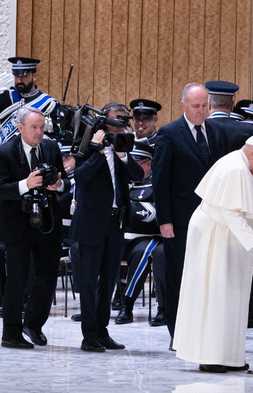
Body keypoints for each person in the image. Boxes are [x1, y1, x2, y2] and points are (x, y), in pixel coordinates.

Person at [173, 135, 253, 373]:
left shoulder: (245, 165)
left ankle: (230, 356)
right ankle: (210, 356)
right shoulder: (235, 168)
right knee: (214, 295)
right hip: (215, 236)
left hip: (228, 239)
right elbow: (231, 214)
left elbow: (251, 202)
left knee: (231, 297)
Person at [152, 83, 227, 342]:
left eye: (205, 105)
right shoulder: (169, 134)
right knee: (179, 278)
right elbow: (160, 181)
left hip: (211, 220)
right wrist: (165, 221)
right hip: (180, 221)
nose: (201, 111)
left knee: (206, 278)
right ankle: (179, 334)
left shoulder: (217, 132)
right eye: (196, 106)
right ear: (183, 104)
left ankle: (203, 334)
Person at [69, 103, 144, 352]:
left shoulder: (122, 144)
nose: (122, 123)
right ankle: (89, 335)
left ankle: (102, 331)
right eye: (118, 119)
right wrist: (99, 153)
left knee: (109, 280)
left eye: (125, 119)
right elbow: (79, 178)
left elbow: (137, 175)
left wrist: (121, 155)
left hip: (116, 222)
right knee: (89, 281)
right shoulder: (86, 143)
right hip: (91, 222)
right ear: (104, 121)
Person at [0, 107, 69, 348]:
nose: (40, 132)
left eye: (42, 127)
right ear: (20, 128)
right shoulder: (5, 152)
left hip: (47, 222)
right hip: (17, 225)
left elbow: (65, 181)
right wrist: (25, 185)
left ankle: (33, 324)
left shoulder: (50, 148)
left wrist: (58, 184)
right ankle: (10, 333)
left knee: (48, 278)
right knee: (17, 279)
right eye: (34, 128)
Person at [114, 139, 166, 326]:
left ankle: (126, 306)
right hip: (120, 237)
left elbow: (154, 216)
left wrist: (133, 210)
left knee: (142, 253)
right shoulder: (120, 180)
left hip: (147, 237)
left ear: (149, 163)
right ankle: (98, 304)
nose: (132, 167)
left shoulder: (157, 183)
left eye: (137, 163)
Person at [0, 57, 59, 144]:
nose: (19, 80)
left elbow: (56, 136)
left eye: (24, 76)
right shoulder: (7, 97)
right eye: (16, 76)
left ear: (34, 77)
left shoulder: (48, 104)